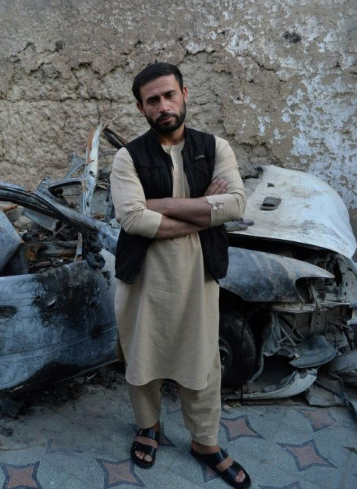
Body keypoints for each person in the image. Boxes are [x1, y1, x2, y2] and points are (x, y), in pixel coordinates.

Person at [109, 62, 250, 488]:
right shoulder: (127, 157)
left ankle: (205, 442)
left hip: (199, 273)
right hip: (144, 274)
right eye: (153, 100)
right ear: (141, 108)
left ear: (185, 94)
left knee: (202, 361)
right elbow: (133, 220)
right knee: (142, 355)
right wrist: (204, 212)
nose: (163, 106)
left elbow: (236, 205)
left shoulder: (215, 148)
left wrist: (162, 205)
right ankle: (148, 427)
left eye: (169, 95)